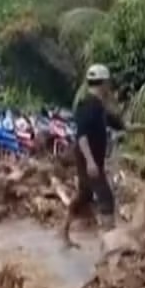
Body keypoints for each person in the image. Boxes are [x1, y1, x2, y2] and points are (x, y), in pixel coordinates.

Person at [62, 64, 125, 240]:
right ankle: (111, 242)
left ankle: (63, 230)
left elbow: (115, 123)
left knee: (84, 196)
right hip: (88, 159)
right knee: (106, 197)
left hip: (92, 159)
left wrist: (129, 127)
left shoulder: (98, 106)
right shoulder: (88, 106)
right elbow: (81, 135)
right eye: (108, 83)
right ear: (103, 83)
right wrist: (90, 161)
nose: (109, 86)